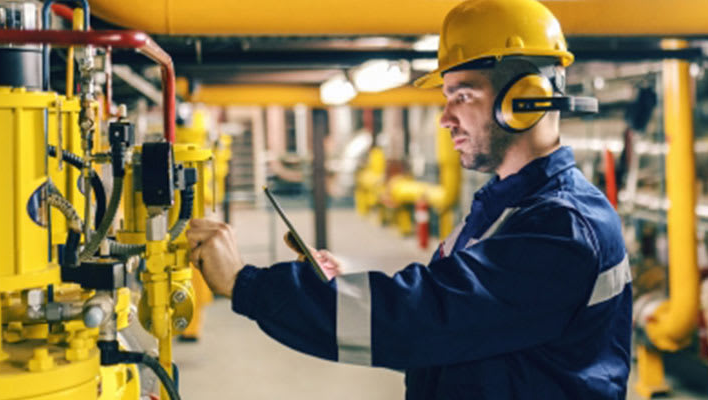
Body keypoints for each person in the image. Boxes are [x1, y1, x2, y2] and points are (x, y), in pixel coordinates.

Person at [186, 0, 630, 397]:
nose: (445, 117)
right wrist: (342, 288)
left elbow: (424, 320)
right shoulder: (507, 207)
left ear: (523, 99)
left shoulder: (562, 227)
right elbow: (461, 323)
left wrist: (246, 285)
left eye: (462, 95)